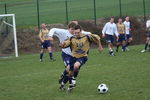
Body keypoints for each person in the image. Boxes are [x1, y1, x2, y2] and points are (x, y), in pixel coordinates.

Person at [59, 25, 103, 91]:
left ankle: (73, 79)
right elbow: (65, 44)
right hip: (73, 57)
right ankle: (63, 84)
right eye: (75, 33)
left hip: (83, 57)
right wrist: (62, 45)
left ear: (81, 31)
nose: (76, 34)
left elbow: (97, 37)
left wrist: (100, 46)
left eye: (78, 32)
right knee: (69, 72)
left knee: (76, 66)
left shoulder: (87, 36)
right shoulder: (71, 38)